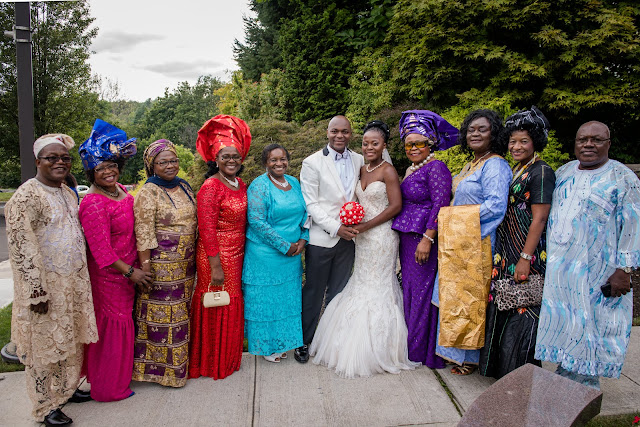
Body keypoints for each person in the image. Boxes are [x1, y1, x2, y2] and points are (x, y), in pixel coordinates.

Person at [535, 121, 640, 389]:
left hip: (599, 271)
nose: (589, 144)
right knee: (566, 324)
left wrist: (625, 270)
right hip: (562, 270)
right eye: (583, 140)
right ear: (576, 143)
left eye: (596, 139)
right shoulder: (564, 171)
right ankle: (565, 377)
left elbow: (633, 224)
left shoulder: (622, 177)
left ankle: (584, 389)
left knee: (591, 326)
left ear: (608, 144)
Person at [310, 120, 417, 378]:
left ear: (384, 145)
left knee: (379, 283)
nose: (369, 147)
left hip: (381, 237)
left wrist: (366, 225)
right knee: (359, 281)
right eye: (366, 143)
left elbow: (395, 207)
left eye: (375, 143)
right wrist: (352, 221)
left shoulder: (388, 171)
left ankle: (380, 348)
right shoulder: (361, 167)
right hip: (361, 237)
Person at [5, 134, 98, 426]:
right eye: (52, 158)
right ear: (38, 162)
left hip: (73, 284)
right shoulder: (26, 196)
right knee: (44, 349)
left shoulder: (68, 192)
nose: (60, 162)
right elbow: (21, 248)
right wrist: (36, 291)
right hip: (45, 289)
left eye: (64, 158)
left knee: (69, 342)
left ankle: (65, 391)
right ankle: (45, 407)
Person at [478, 107, 556, 379]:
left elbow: (540, 218)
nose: (516, 146)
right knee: (505, 307)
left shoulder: (542, 172)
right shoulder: (517, 169)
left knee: (524, 312)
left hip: (527, 252)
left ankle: (521, 376)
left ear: (535, 141)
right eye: (512, 141)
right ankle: (502, 372)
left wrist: (525, 257)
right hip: (507, 250)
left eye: (523, 141)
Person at [433, 109, 512, 375]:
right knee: (455, 298)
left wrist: (453, 219)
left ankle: (470, 358)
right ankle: (455, 354)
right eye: (471, 130)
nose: (475, 134)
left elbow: (495, 207)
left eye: (482, 129)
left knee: (471, 300)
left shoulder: (496, 165)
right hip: (458, 243)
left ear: (495, 134)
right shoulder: (471, 165)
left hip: (477, 242)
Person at [78, 120, 152, 401]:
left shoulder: (120, 189)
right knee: (112, 329)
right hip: (111, 277)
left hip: (129, 273)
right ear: (91, 172)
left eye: (111, 165)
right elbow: (102, 253)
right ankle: (108, 387)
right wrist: (131, 272)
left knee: (124, 326)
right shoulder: (93, 202)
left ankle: (119, 377)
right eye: (101, 168)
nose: (108, 171)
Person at [391, 110, 457, 369]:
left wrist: (428, 238)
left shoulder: (437, 167)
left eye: (419, 143)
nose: (413, 148)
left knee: (420, 295)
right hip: (408, 240)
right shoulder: (413, 168)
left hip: (422, 240)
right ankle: (412, 347)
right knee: (410, 292)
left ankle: (420, 352)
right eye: (409, 144)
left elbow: (440, 205)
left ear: (430, 143)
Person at [297, 115, 365, 363]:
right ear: (327, 132)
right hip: (321, 238)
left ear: (351, 133)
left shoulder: (359, 159)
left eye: (345, 132)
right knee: (314, 291)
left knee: (340, 291)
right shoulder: (312, 162)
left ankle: (333, 342)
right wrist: (337, 228)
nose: (340, 136)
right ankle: (303, 341)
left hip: (350, 239)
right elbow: (310, 204)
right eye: (335, 131)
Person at [189, 115, 251, 379]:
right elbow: (206, 229)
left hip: (237, 254)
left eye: (235, 156)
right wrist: (215, 264)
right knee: (215, 304)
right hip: (215, 256)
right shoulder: (210, 187)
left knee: (231, 303)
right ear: (215, 159)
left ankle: (228, 358)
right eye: (225, 156)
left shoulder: (240, 184)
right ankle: (210, 362)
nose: (231, 161)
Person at [133, 139, 197, 387]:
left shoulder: (183, 186)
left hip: (186, 266)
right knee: (162, 319)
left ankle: (179, 368)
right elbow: (144, 231)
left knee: (181, 316)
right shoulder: (149, 191)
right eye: (163, 162)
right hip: (162, 267)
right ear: (152, 165)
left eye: (173, 161)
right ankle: (161, 373)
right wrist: (146, 267)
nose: (170, 166)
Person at [242, 144, 308, 363]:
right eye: (273, 160)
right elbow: (257, 221)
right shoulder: (259, 186)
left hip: (292, 254)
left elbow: (305, 213)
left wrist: (302, 240)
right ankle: (267, 347)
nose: (279, 163)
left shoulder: (295, 182)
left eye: (283, 159)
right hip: (265, 256)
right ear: (265, 163)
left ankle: (285, 342)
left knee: (287, 302)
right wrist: (284, 245)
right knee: (266, 303)